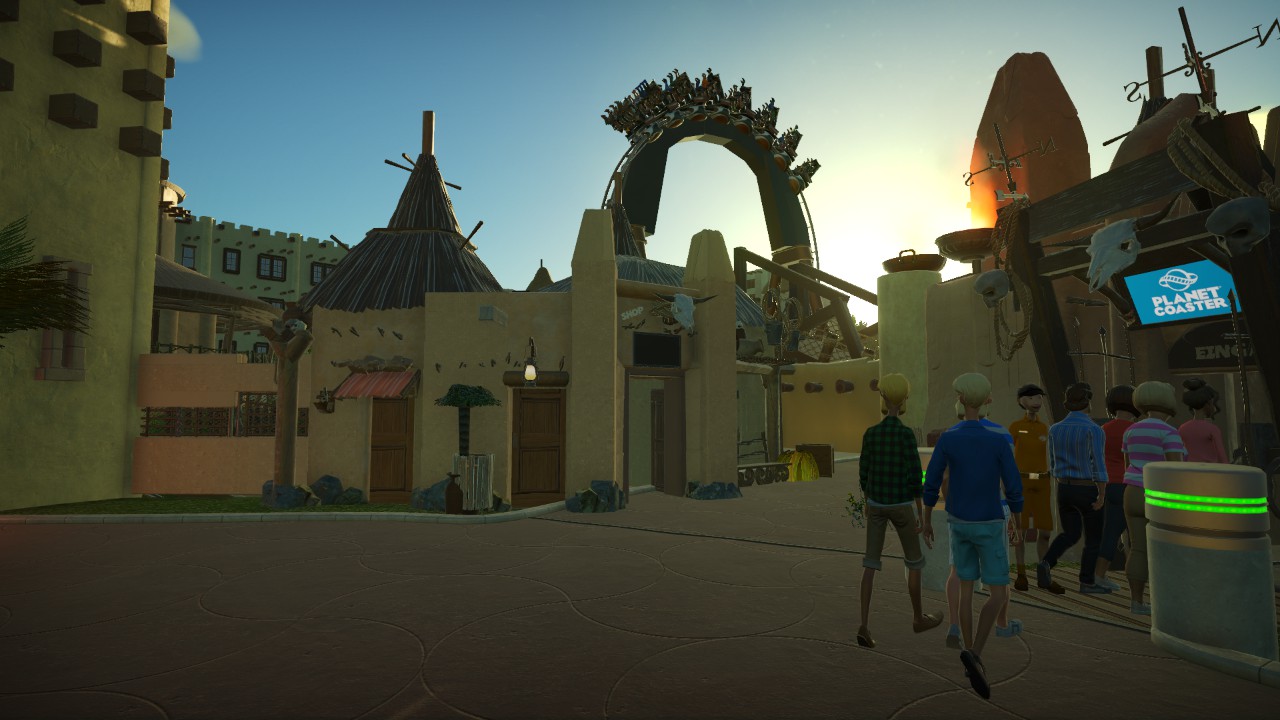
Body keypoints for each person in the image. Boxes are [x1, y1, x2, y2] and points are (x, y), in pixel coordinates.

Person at [923, 373, 1024, 700]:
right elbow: (1013, 486)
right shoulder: (998, 440)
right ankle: (976, 652)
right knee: (998, 592)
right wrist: (1017, 521)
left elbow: (932, 481)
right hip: (990, 522)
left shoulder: (948, 438)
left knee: (965, 588)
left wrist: (926, 518)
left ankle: (968, 650)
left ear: (960, 400)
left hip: (959, 523)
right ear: (987, 401)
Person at [856, 373, 943, 648]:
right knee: (914, 561)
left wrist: (868, 500)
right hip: (902, 505)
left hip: (877, 505)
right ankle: (918, 618)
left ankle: (864, 625)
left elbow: (864, 472)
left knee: (870, 564)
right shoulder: (906, 435)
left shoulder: (871, 434)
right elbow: (914, 475)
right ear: (905, 399)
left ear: (882, 397)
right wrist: (919, 510)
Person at [942, 401, 1021, 650]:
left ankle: (954, 625)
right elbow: (1009, 479)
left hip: (961, 514)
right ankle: (1001, 623)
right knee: (999, 577)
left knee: (957, 572)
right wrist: (1015, 519)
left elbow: (945, 480)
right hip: (993, 512)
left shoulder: (951, 435)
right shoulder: (1001, 434)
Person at [1122, 381, 1187, 615]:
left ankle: (1136, 602)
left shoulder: (1131, 431)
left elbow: (1128, 465)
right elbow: (1175, 471)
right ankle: (1166, 602)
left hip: (1132, 492)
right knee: (1167, 548)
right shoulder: (1169, 432)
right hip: (1159, 494)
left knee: (1138, 548)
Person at [1039, 383, 1110, 594]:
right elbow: (1098, 464)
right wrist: (1102, 493)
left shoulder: (1055, 429)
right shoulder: (1093, 429)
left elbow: (1052, 462)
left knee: (1070, 533)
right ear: (1087, 402)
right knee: (1094, 539)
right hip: (1087, 488)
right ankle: (1087, 582)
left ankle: (1047, 562)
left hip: (1064, 488)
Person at [1008, 384, 1063, 594]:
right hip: (1022, 482)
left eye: (1039, 397)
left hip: (1042, 483)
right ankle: (1021, 574)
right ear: (1021, 401)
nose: (1036, 402)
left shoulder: (1045, 428)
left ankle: (1043, 574)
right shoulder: (1015, 427)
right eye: (1032, 397)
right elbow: (1008, 454)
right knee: (1020, 530)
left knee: (1045, 531)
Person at [1093, 385, 1138, 590]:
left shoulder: (1104, 429)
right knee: (1135, 535)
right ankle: (1136, 577)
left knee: (1111, 531)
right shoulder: (1135, 430)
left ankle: (1099, 575)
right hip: (1129, 485)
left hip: (1109, 485)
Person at [1178, 378, 1228, 463]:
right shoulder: (1213, 429)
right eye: (1213, 403)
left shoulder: (1182, 428)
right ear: (1208, 403)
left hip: (1188, 470)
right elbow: (1222, 457)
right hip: (1209, 470)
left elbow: (1179, 453)